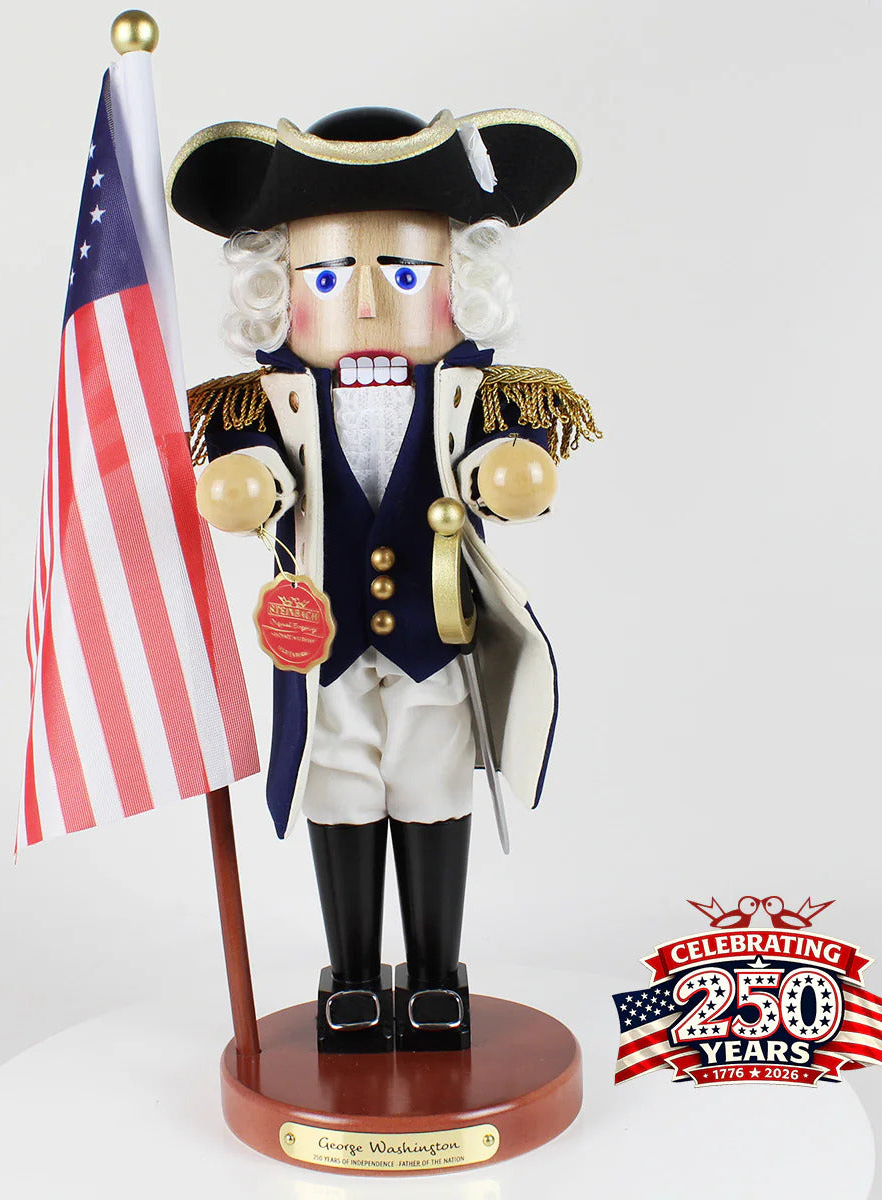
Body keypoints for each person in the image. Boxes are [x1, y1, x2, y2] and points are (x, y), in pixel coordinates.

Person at [168, 106, 599, 1051]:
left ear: (460, 281)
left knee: (431, 778)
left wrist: (505, 470)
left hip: (434, 638)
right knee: (340, 786)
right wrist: (248, 485)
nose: (365, 303)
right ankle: (355, 979)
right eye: (327, 276)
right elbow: (253, 473)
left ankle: (438, 975)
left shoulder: (477, 391)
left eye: (403, 274)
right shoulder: (258, 400)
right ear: (277, 287)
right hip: (321, 645)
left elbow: (503, 461)